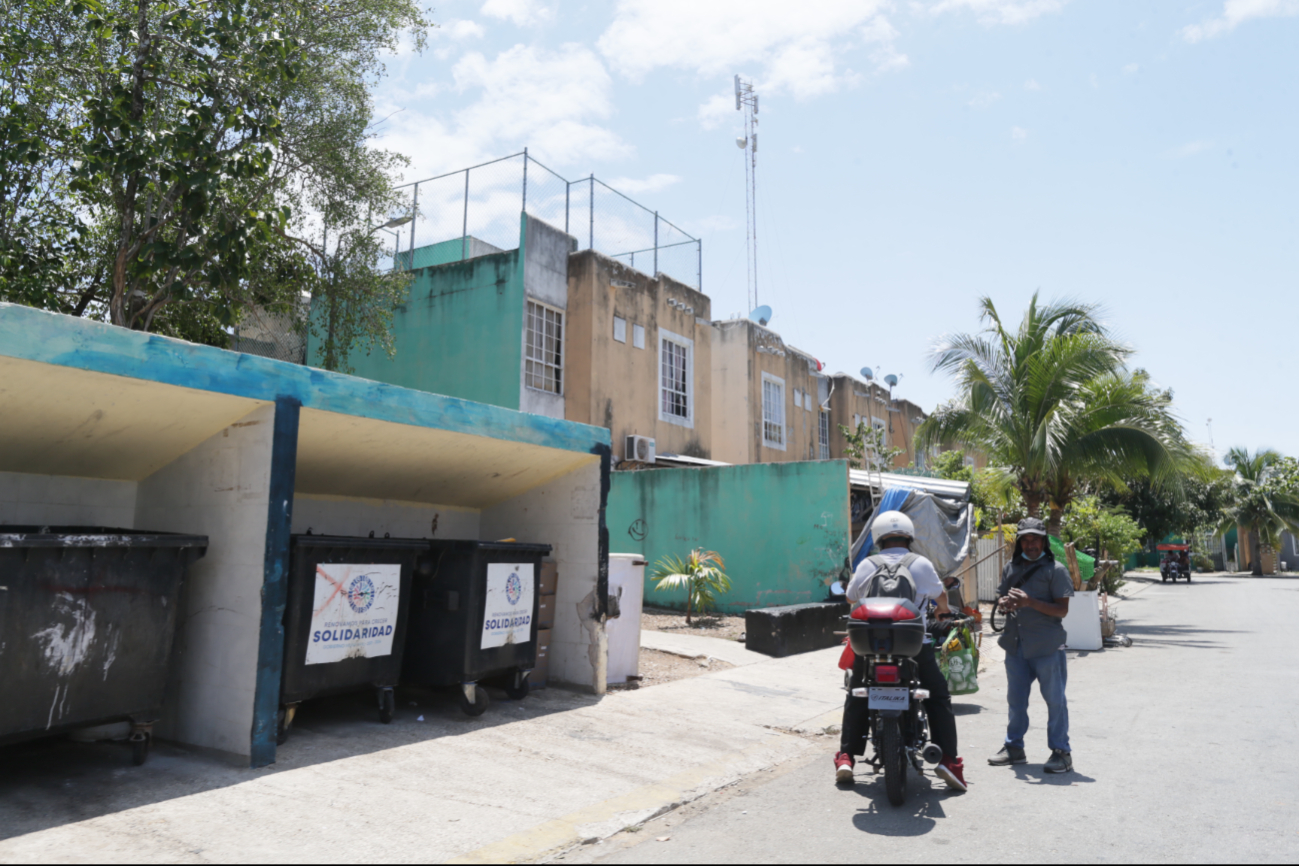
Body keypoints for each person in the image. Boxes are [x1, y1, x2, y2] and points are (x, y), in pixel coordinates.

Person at [834, 511, 968, 793]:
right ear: (909, 537)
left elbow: (850, 597)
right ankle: (948, 761)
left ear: (878, 538)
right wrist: (942, 611)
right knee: (938, 695)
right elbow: (940, 596)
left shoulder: (867, 564)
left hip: (871, 646)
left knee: (857, 692)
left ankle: (846, 757)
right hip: (912, 644)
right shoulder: (920, 564)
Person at [988, 517, 1075, 774]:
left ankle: (1061, 752)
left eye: (1035, 539)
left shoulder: (1056, 570)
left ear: (1044, 541)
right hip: (1015, 646)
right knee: (1016, 702)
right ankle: (1014, 748)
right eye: (1025, 540)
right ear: (1019, 543)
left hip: (1047, 647)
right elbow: (1001, 597)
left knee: (1055, 701)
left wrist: (1029, 602)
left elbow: (1062, 610)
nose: (1030, 544)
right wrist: (1004, 603)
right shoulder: (1010, 567)